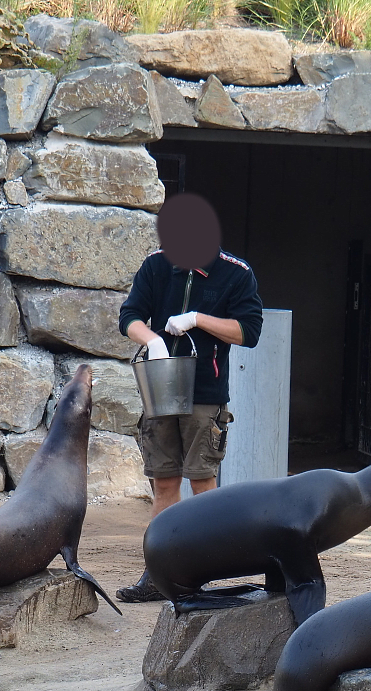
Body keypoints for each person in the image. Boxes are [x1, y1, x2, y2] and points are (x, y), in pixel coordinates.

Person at [115, 193, 264, 603]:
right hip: (161, 387)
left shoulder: (235, 274)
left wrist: (198, 319)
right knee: (163, 482)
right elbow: (129, 316)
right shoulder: (156, 265)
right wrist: (153, 340)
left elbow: (249, 332)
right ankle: (158, 574)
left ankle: (209, 569)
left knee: (202, 481)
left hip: (205, 392)